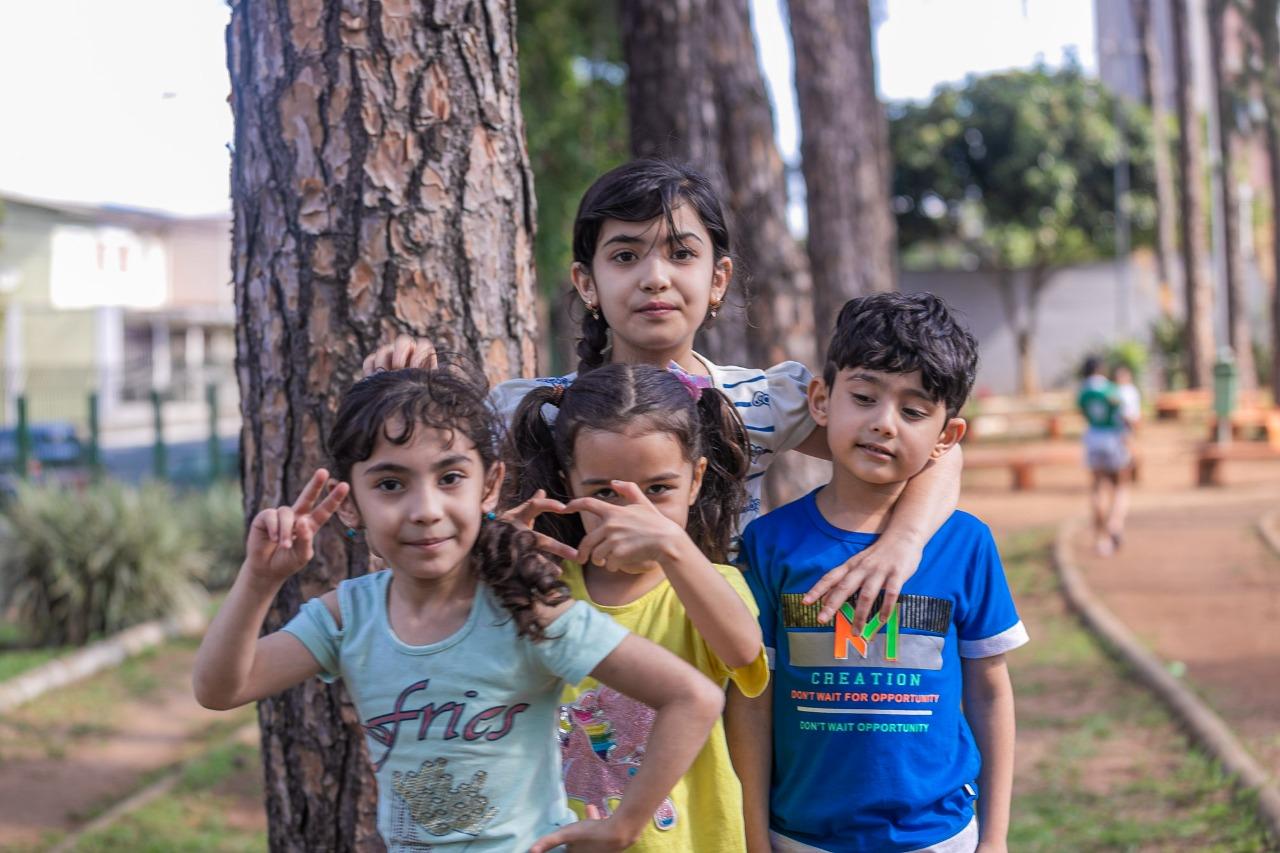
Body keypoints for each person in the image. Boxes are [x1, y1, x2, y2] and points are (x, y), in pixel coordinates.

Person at [364, 158, 962, 632]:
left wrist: (902, 544)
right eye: (626, 256)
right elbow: (422, 495)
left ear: (718, 279)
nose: (655, 277)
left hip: (726, 655)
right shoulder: (534, 410)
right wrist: (404, 400)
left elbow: (938, 452)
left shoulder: (761, 400)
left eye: (681, 254)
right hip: (580, 669)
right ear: (587, 283)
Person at [191, 366, 724, 852]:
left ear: (489, 487)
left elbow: (693, 697)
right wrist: (259, 580)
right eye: (391, 484)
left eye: (449, 478)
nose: (426, 510)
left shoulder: (529, 611)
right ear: (350, 503)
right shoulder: (348, 617)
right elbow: (220, 689)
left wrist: (623, 825)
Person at [736, 293, 1029, 853]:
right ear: (821, 401)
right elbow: (753, 698)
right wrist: (754, 838)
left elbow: (990, 693)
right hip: (799, 838)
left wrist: (994, 839)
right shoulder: (770, 543)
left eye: (913, 412)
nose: (883, 424)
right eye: (864, 397)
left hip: (940, 838)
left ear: (947, 437)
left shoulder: (966, 544)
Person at [503, 362, 769, 852]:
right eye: (604, 492)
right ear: (568, 485)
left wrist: (672, 546)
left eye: (658, 490)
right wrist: (492, 561)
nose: (633, 515)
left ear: (695, 479)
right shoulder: (542, 591)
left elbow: (743, 652)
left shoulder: (710, 586)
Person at [1079, 356, 1131, 555]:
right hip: (1113, 440)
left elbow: (1084, 413)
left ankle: (1101, 539)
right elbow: (1122, 414)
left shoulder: (1083, 392)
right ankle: (1115, 523)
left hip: (1093, 440)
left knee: (1097, 488)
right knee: (1120, 486)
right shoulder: (1110, 389)